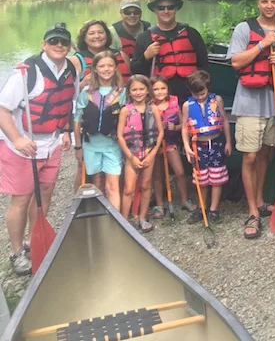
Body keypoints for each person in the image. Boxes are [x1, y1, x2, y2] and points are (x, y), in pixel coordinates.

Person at [0, 23, 77, 275]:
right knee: (21, 199)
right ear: (44, 44)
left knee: (44, 196)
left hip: (52, 143)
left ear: (69, 46)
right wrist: (18, 140)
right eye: (53, 41)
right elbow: (3, 110)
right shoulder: (26, 72)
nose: (59, 46)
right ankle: (15, 251)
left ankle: (35, 242)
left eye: (63, 42)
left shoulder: (70, 72)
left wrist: (65, 132)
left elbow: (66, 104)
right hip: (22, 145)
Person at [228, 0, 275, 239]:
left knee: (266, 155)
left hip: (274, 104)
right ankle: (252, 213)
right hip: (248, 103)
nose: (269, 6)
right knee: (249, 157)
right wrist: (261, 46)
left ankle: (259, 201)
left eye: (273, 2)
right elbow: (235, 61)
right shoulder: (244, 29)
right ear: (258, 3)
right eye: (265, 2)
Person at [132, 0, 209, 103]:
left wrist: (201, 88)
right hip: (161, 97)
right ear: (155, 10)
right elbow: (135, 71)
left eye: (170, 7)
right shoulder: (144, 37)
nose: (166, 11)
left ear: (176, 9)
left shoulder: (191, 33)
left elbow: (204, 65)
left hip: (191, 92)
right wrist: (145, 56)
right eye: (161, 8)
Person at [74, 51, 125, 210]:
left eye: (110, 65)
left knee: (113, 187)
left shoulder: (122, 93)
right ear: (94, 69)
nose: (106, 69)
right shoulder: (86, 92)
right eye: (102, 66)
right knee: (97, 183)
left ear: (116, 68)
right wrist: (77, 146)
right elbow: (77, 119)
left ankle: (115, 221)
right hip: (91, 145)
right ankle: (100, 215)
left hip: (113, 145)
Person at [182, 70, 232, 224]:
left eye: (202, 93)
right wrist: (187, 146)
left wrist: (228, 142)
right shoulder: (187, 105)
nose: (200, 96)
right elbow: (184, 127)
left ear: (207, 88)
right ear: (191, 92)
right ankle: (201, 208)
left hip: (216, 143)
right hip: (199, 145)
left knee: (216, 178)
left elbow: (224, 121)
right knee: (201, 180)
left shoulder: (217, 100)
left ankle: (214, 209)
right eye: (196, 94)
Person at [117, 74, 164, 232]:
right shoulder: (126, 111)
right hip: (132, 154)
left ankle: (142, 217)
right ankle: (124, 222)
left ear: (147, 90)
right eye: (134, 89)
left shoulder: (154, 109)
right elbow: (120, 136)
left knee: (145, 185)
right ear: (129, 92)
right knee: (128, 189)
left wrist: (152, 154)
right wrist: (130, 157)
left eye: (141, 89)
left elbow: (160, 133)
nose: (138, 92)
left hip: (149, 152)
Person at [150, 75, 195, 218]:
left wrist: (174, 127)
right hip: (154, 144)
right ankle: (160, 205)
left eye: (162, 88)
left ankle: (184, 200)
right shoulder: (149, 104)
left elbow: (183, 124)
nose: (159, 92)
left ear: (168, 89)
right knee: (157, 175)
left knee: (180, 172)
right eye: (156, 89)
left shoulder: (174, 101)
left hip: (170, 142)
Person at [71, 19, 133, 84]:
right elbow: (72, 90)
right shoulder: (76, 60)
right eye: (91, 33)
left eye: (101, 32)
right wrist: (83, 83)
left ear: (107, 35)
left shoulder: (122, 56)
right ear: (84, 37)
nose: (97, 36)